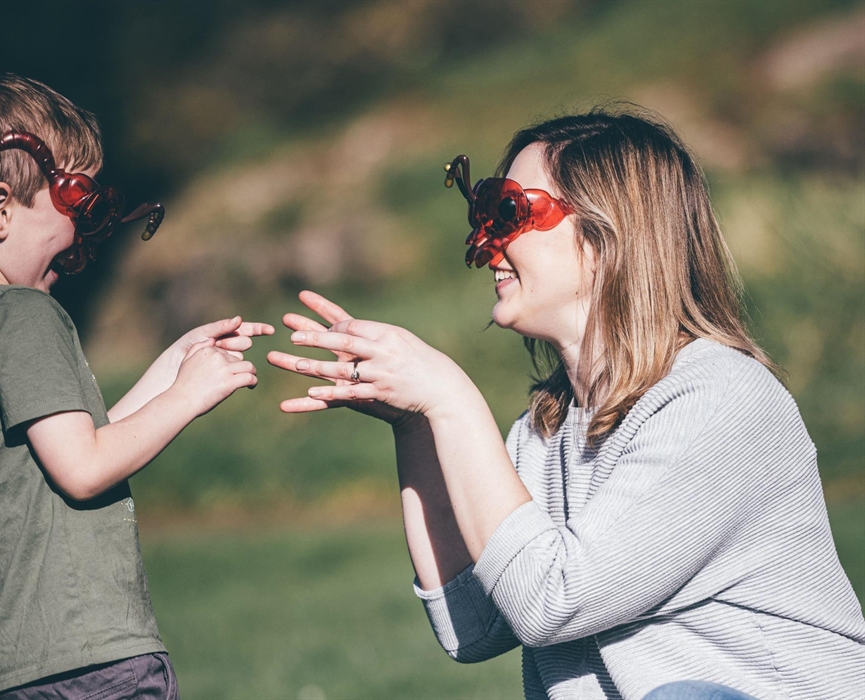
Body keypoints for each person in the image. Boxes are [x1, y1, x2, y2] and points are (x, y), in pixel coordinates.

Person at [268, 109, 865, 699]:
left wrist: (452, 399)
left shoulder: (719, 401)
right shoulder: (541, 433)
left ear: (607, 239)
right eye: (482, 212)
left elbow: (554, 602)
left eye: (508, 210)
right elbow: (471, 627)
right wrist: (416, 425)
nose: (485, 238)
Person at [0, 71, 273, 699]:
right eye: (76, 203)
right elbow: (85, 468)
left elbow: (68, 444)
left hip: (8, 671)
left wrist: (170, 366)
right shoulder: (19, 314)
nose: (82, 231)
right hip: (89, 663)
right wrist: (187, 397)